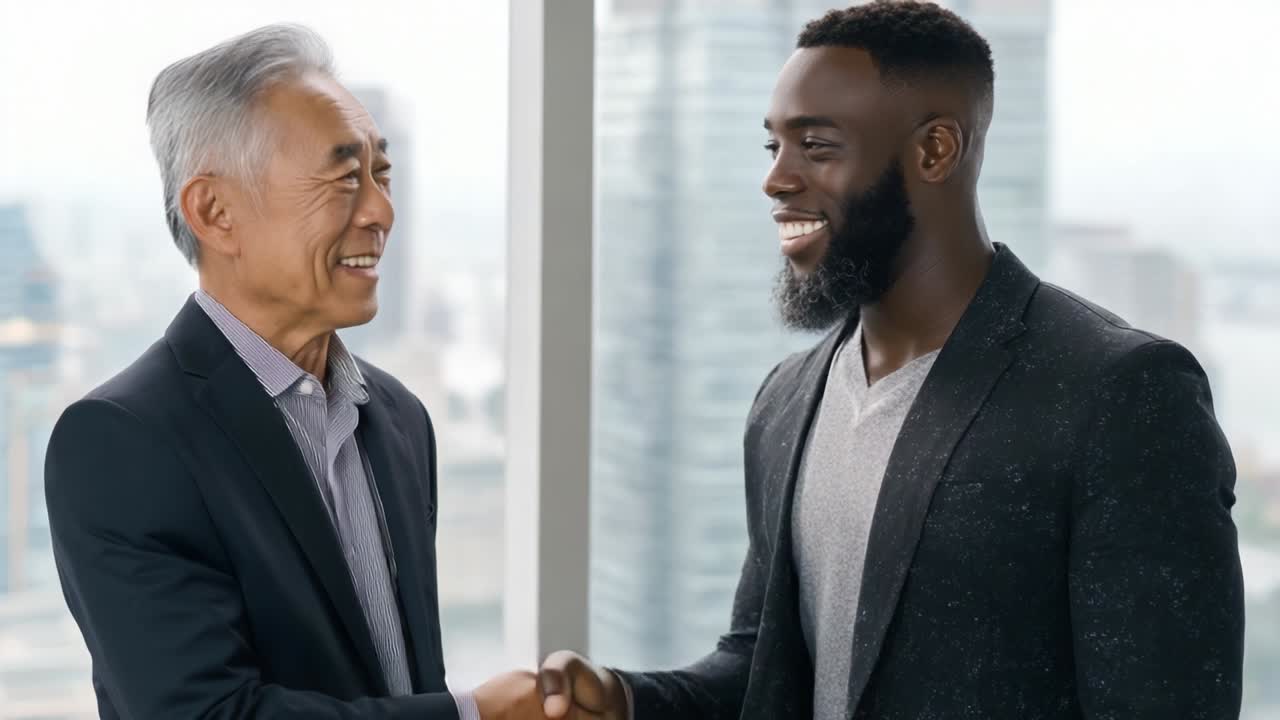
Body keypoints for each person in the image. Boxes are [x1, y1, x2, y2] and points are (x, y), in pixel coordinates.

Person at [538, 2, 1246, 718]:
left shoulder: (1120, 395)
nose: (776, 180)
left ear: (935, 150)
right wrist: (624, 699)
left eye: (816, 146)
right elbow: (764, 669)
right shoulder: (786, 399)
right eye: (773, 148)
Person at [44, 25, 544, 720]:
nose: (381, 211)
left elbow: (399, 680)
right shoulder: (121, 440)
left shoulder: (400, 418)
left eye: (381, 173)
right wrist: (472, 715)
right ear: (215, 212)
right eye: (343, 177)